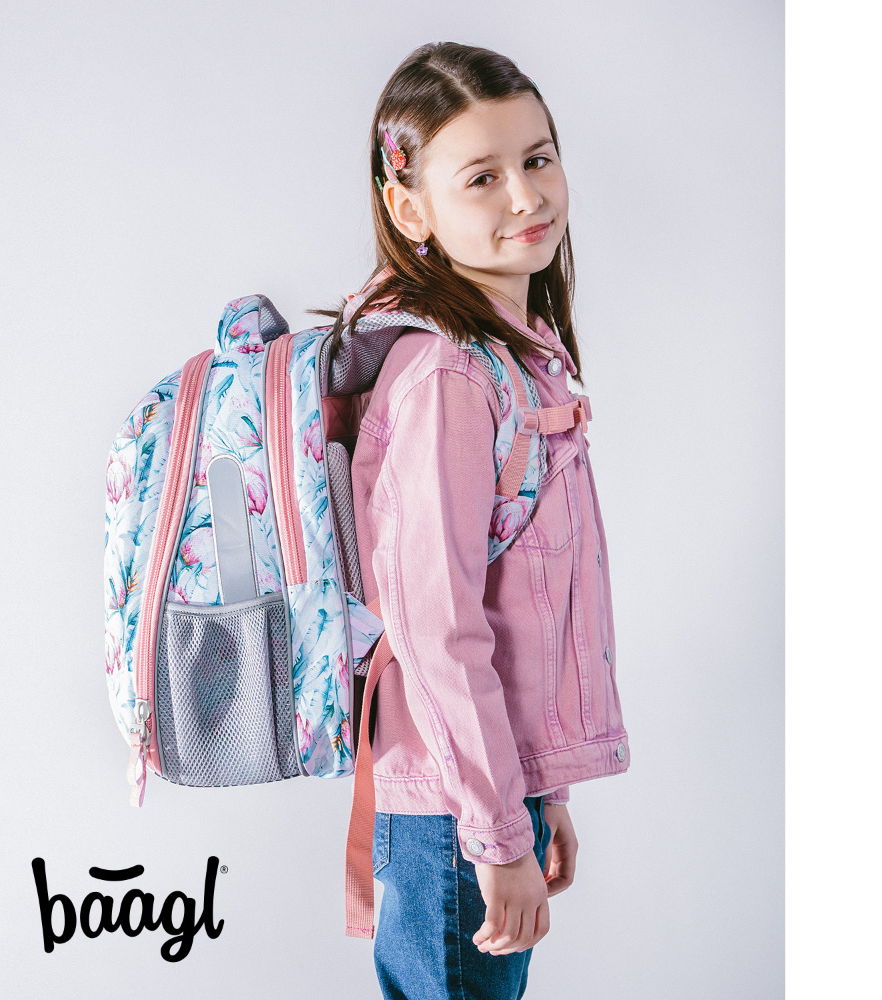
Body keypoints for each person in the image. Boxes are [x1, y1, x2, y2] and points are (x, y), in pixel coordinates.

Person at [321, 41, 630, 1000]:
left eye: (538, 159)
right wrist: (497, 832)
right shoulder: (449, 378)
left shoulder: (514, 358)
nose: (526, 196)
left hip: (485, 797)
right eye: (483, 176)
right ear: (410, 209)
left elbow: (522, 607)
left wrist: (542, 790)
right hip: (453, 815)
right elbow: (437, 628)